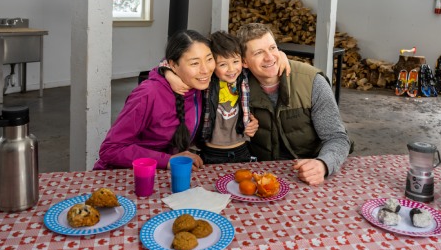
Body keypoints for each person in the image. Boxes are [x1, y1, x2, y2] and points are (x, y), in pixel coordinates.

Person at [236, 23, 351, 186]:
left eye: (273, 48)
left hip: (307, 174)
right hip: (259, 177)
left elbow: (337, 137)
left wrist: (323, 164)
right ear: (244, 62)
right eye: (259, 52)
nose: (269, 57)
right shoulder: (235, 85)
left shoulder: (312, 82)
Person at [162, 30, 290, 164]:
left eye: (235, 61)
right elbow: (168, 61)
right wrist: (168, 74)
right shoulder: (206, 80)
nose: (231, 69)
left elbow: (264, 60)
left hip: (242, 148)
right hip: (210, 151)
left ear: (242, 61)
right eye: (222, 64)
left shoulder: (244, 76)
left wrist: (281, 55)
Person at [93, 30, 213, 171]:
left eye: (209, 59)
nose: (205, 70)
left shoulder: (200, 87)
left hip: (164, 173)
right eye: (194, 63)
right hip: (122, 175)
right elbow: (110, 150)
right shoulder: (148, 94)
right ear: (173, 65)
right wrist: (167, 160)